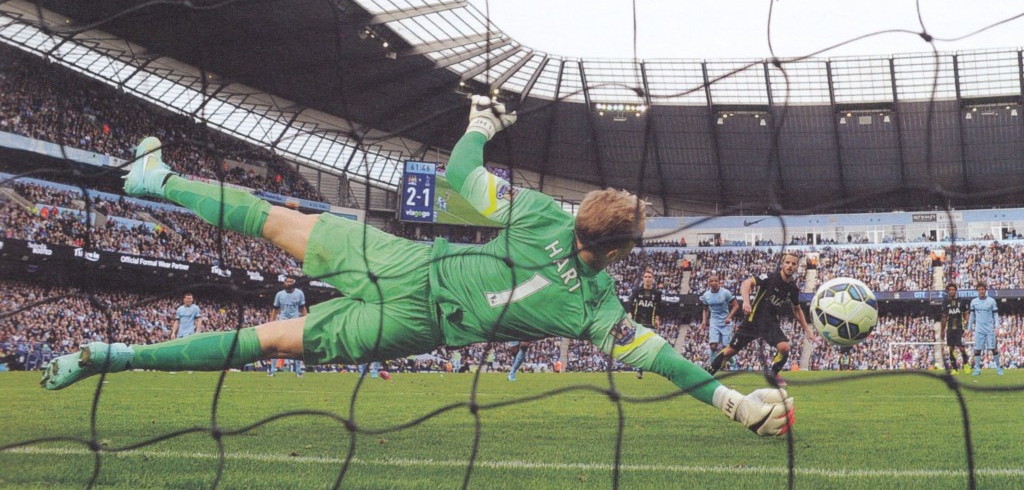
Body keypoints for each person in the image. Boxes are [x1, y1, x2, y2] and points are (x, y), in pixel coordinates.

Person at [40, 96, 794, 437]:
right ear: (620, 252)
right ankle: (114, 354)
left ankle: (158, 183)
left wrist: (481, 122)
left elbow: (461, 173)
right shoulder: (597, 312)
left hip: (399, 259)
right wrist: (733, 402)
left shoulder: (536, 213)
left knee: (276, 219)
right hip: (411, 322)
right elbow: (667, 363)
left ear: (582, 212)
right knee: (268, 341)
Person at [705, 253, 818, 388]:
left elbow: (797, 309)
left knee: (785, 347)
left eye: (793, 264)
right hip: (753, 320)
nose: (790, 266)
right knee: (730, 351)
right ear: (782, 264)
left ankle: (774, 374)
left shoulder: (793, 288)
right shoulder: (770, 278)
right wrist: (746, 302)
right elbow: (746, 283)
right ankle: (708, 375)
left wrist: (807, 330)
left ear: (797, 267)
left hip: (770, 323)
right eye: (787, 262)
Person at [268, 277, 308, 377]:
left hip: (295, 322)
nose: (289, 283)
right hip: (282, 322)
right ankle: (272, 370)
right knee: (277, 346)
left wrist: (306, 320)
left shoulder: (299, 293)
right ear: (284, 282)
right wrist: (271, 322)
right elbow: (275, 309)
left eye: (291, 282)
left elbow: (302, 308)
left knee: (297, 346)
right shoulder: (279, 294)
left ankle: (298, 371)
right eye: (287, 281)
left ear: (294, 283)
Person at [627, 269, 663, 379]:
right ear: (643, 279)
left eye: (649, 277)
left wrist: (657, 319)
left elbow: (659, 308)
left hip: (650, 323)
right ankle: (640, 369)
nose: (647, 279)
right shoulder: (637, 291)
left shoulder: (657, 293)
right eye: (645, 277)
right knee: (639, 346)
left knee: (647, 346)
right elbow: (630, 304)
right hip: (638, 323)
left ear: (652, 279)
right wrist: (629, 314)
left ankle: (642, 369)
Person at [697, 274, 738, 365]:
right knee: (713, 346)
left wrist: (729, 317)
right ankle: (712, 364)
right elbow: (705, 309)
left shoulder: (725, 293)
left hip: (725, 322)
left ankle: (731, 361)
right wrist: (704, 321)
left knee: (726, 346)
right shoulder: (706, 295)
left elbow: (736, 305)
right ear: (709, 283)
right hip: (714, 321)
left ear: (719, 282)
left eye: (716, 280)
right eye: (712, 281)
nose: (714, 282)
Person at [966, 281, 1002, 377]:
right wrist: (969, 329)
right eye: (979, 290)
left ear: (985, 290)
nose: (981, 291)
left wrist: (997, 327)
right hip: (978, 329)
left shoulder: (991, 301)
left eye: (982, 289)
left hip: (990, 329)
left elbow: (995, 314)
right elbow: (972, 316)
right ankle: (977, 368)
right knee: (977, 350)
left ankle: (998, 367)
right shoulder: (974, 302)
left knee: (993, 348)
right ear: (977, 291)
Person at [940, 282, 969, 375]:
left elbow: (966, 314)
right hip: (950, 328)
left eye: (953, 290)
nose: (951, 291)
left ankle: (966, 364)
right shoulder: (945, 301)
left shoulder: (961, 301)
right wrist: (942, 331)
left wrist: (968, 325)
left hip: (960, 328)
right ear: (948, 291)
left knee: (961, 347)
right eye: (950, 290)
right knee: (951, 349)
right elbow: (944, 317)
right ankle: (955, 369)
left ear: (955, 291)